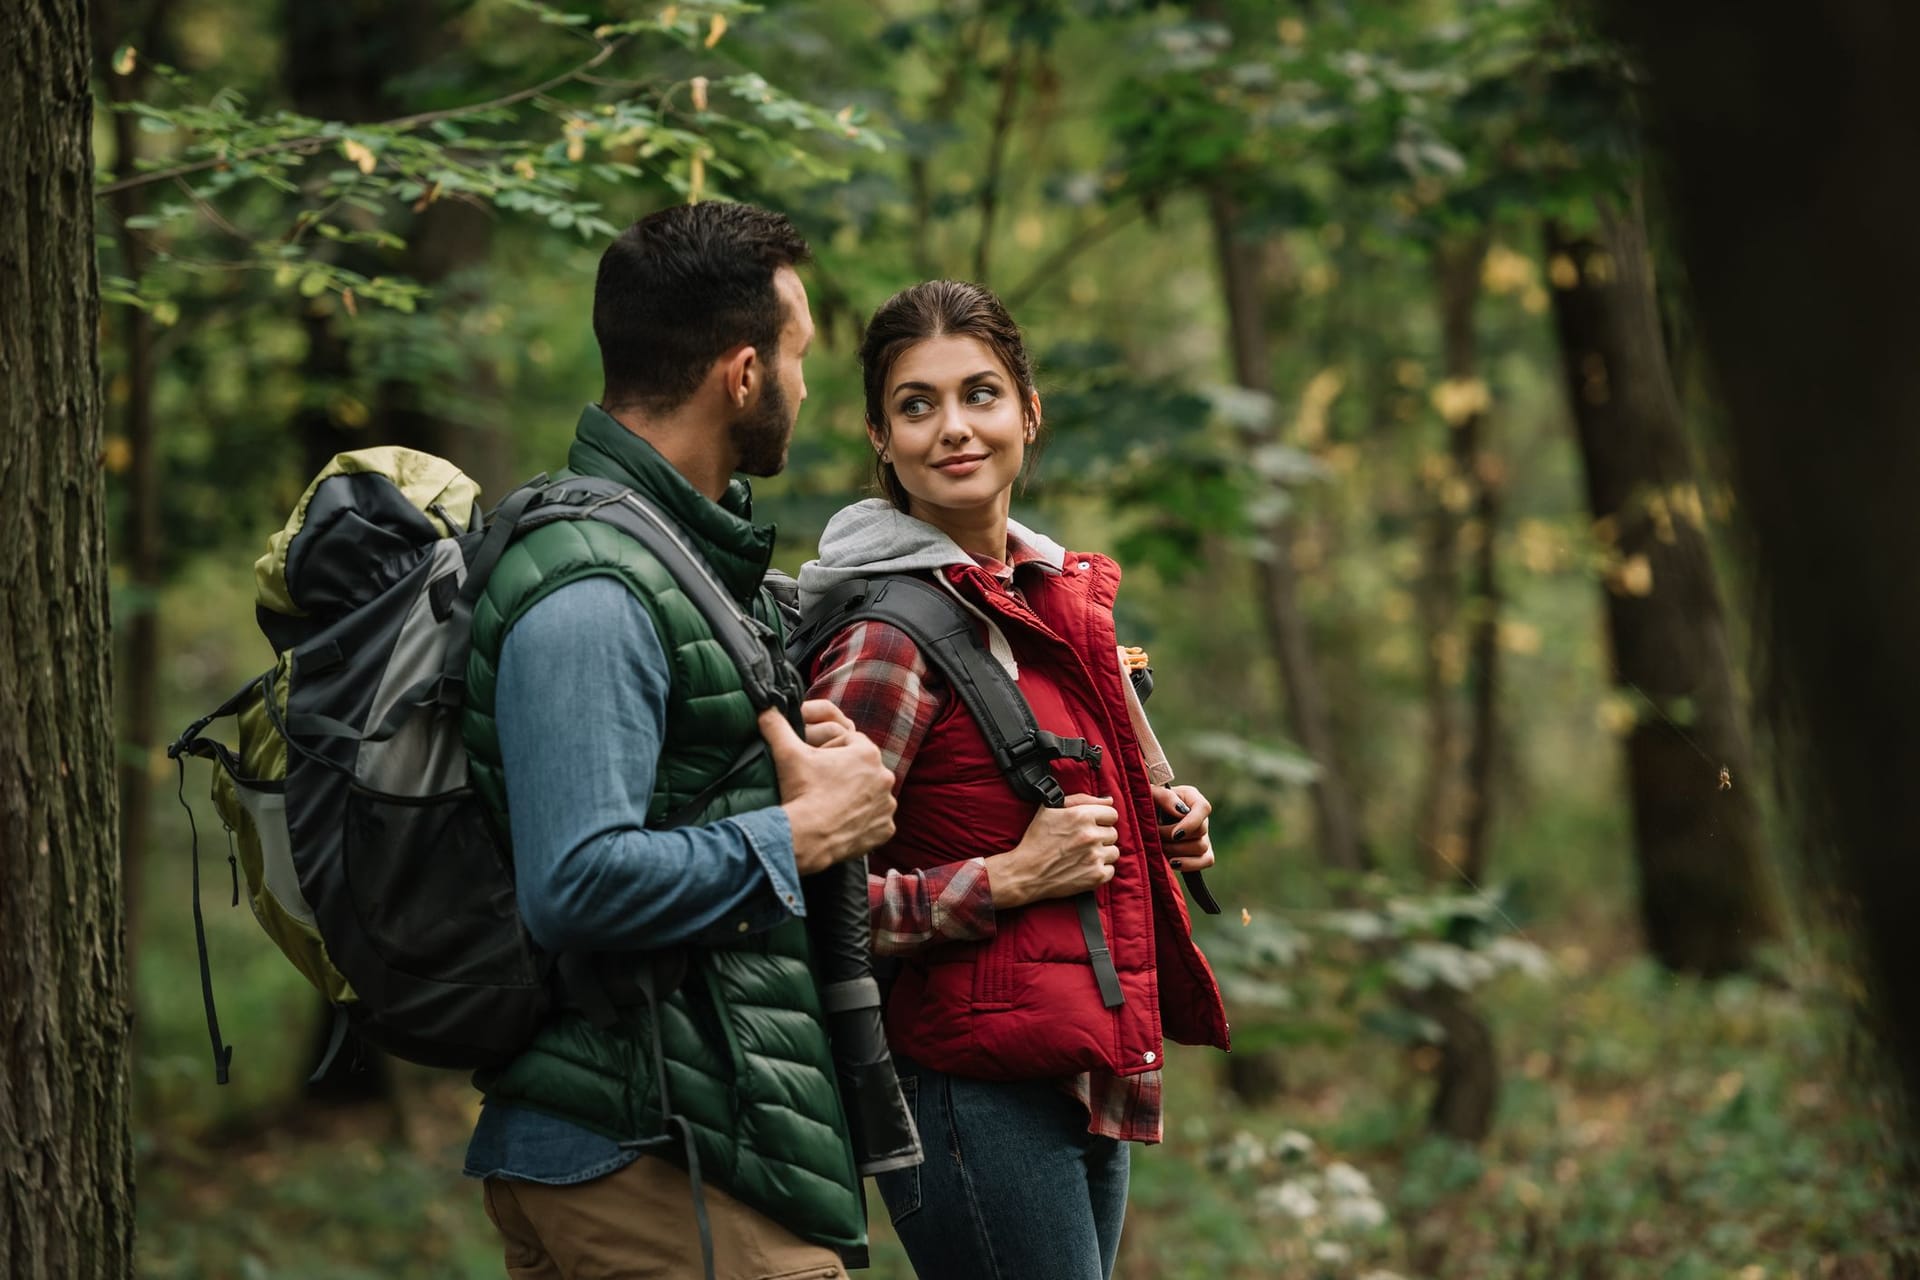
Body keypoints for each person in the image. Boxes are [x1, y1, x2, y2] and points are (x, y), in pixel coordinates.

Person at [459, 202, 898, 1280]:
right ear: (741, 374)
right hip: (652, 1153)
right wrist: (802, 830)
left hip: (681, 1139)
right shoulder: (595, 587)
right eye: (796, 357)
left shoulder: (682, 565)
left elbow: (672, 789)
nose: (805, 386)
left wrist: (782, 755)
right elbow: (575, 879)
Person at [797, 280, 1232, 1280]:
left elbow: (1048, 798)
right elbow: (804, 898)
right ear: (880, 434)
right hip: (958, 1084)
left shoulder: (1042, 604)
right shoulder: (886, 637)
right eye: (917, 404)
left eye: (980, 394)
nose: (953, 427)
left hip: (1075, 1060)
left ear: (1029, 411)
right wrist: (1007, 878)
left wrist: (1163, 820)